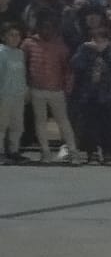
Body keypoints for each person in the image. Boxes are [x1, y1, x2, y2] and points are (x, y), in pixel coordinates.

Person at [23, 18, 79, 164]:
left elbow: (67, 68)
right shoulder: (29, 44)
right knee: (40, 122)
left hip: (57, 89)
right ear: (38, 28)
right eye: (43, 27)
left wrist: (68, 86)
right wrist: (26, 86)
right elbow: (23, 65)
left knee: (63, 122)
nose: (46, 30)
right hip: (36, 89)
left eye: (49, 27)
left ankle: (73, 152)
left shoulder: (60, 45)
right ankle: (45, 153)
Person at [69, 23, 111, 163]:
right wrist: (86, 50)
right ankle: (90, 151)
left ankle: (107, 151)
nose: (99, 42)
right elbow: (76, 65)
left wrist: (106, 51)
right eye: (96, 39)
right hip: (88, 93)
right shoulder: (85, 49)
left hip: (107, 93)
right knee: (88, 124)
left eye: (102, 39)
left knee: (106, 124)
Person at [0, 24, 27, 163]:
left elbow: (22, 74)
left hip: (18, 95)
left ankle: (14, 150)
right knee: (2, 125)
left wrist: (24, 91)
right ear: (4, 37)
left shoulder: (20, 53)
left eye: (18, 35)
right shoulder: (1, 51)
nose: (15, 38)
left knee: (17, 125)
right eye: (12, 35)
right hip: (4, 94)